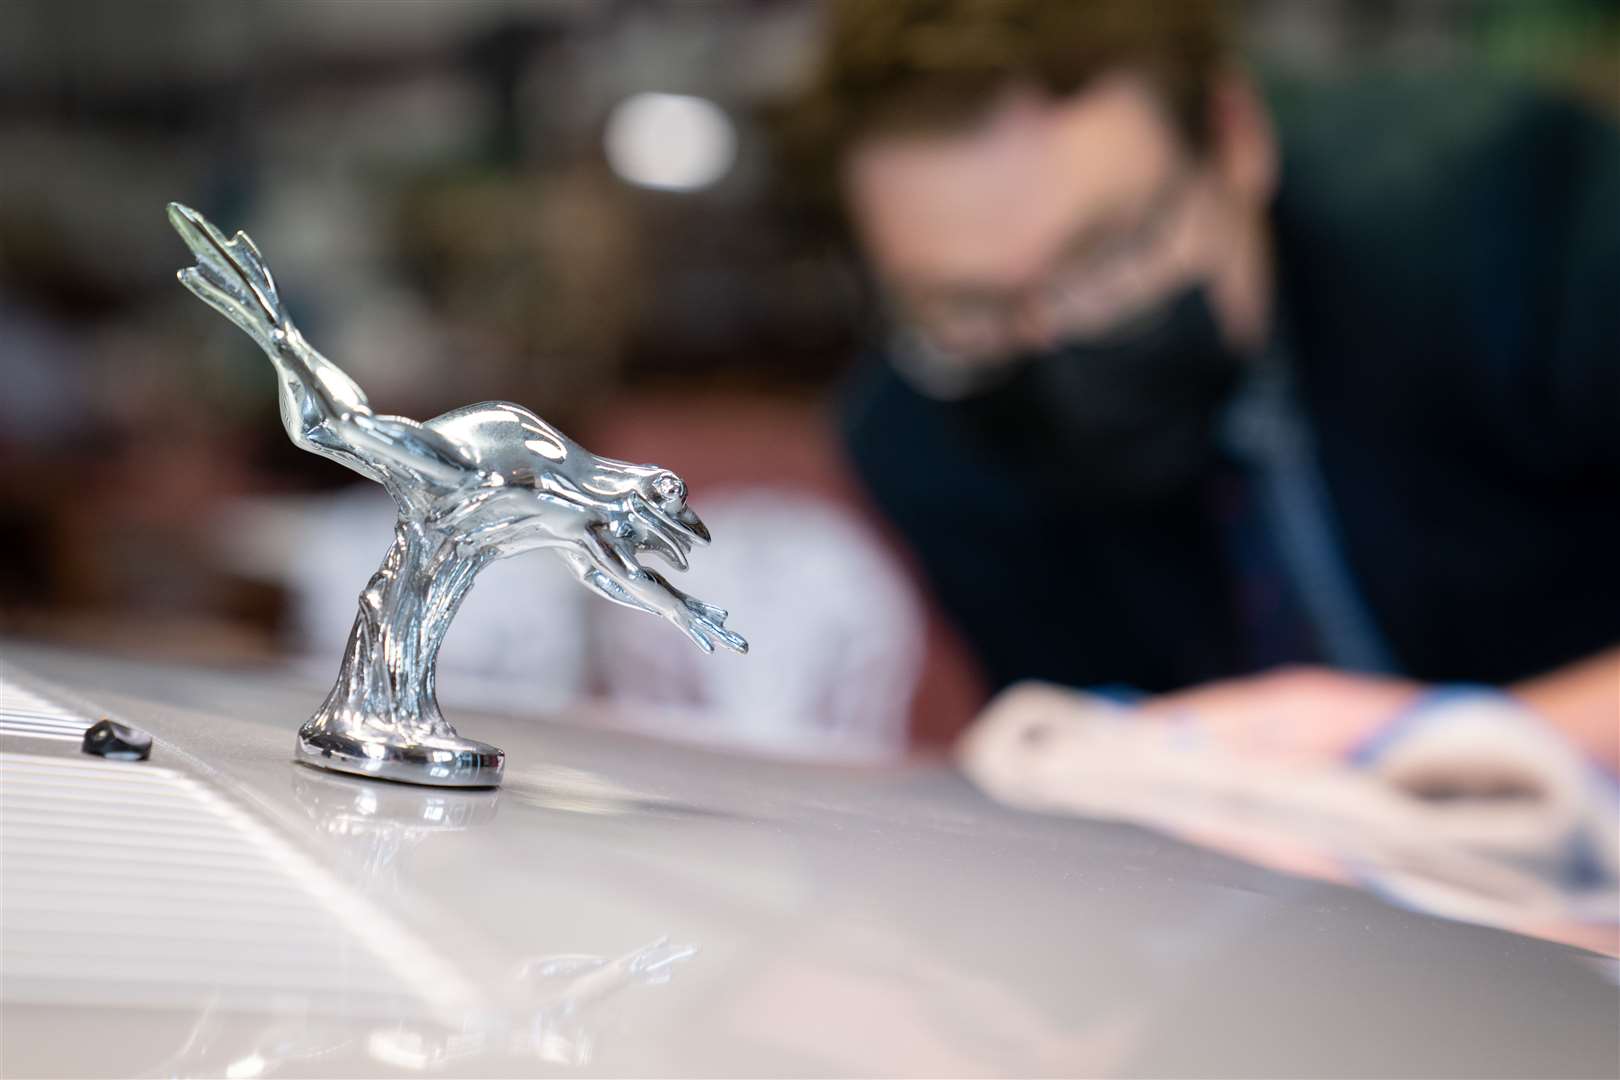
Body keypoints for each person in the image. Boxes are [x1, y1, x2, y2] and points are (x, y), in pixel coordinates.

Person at [792, 0, 1619, 767]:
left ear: (1235, 135)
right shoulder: (927, 434)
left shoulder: (1513, 220)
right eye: (969, 306)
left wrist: (1429, 751)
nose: (1058, 338)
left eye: (1107, 255)